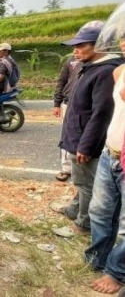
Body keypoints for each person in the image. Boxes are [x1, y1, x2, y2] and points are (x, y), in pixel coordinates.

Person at [57, 20, 122, 236]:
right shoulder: (91, 67)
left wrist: (85, 145)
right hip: (79, 135)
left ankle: (83, 225)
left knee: (86, 184)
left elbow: (101, 113)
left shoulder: (105, 72)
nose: (76, 50)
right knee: (82, 180)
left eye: (82, 45)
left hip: (86, 140)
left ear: (100, 44)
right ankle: (74, 209)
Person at [85, 26, 125, 294]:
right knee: (100, 211)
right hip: (111, 152)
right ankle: (98, 258)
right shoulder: (119, 72)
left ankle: (117, 271)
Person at [52, 56, 83, 182]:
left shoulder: (97, 63)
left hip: (89, 105)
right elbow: (62, 81)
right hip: (69, 103)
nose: (76, 50)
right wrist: (57, 103)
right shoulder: (71, 60)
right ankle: (66, 169)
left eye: (80, 45)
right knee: (67, 135)